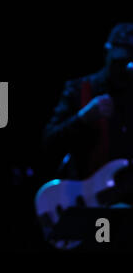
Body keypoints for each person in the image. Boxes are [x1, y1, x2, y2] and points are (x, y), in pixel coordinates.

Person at [42, 23, 133, 250]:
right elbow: (48, 142)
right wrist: (82, 118)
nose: (124, 69)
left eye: (130, 64)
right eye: (119, 62)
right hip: (83, 206)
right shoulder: (80, 89)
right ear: (107, 52)